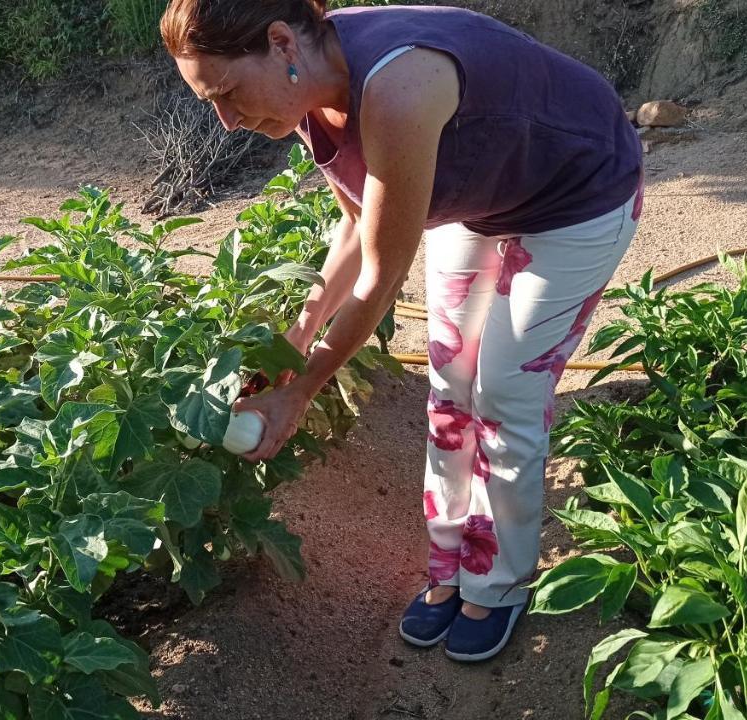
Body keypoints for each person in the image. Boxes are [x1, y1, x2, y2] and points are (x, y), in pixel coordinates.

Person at [160, 0, 643, 662]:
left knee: (502, 392)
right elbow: (358, 227)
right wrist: (291, 343)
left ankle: (498, 585)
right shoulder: (305, 93)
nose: (227, 119)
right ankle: (450, 565)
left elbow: (383, 278)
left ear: (280, 44)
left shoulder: (396, 87)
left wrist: (301, 392)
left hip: (577, 195)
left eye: (228, 93)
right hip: (481, 202)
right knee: (451, 384)